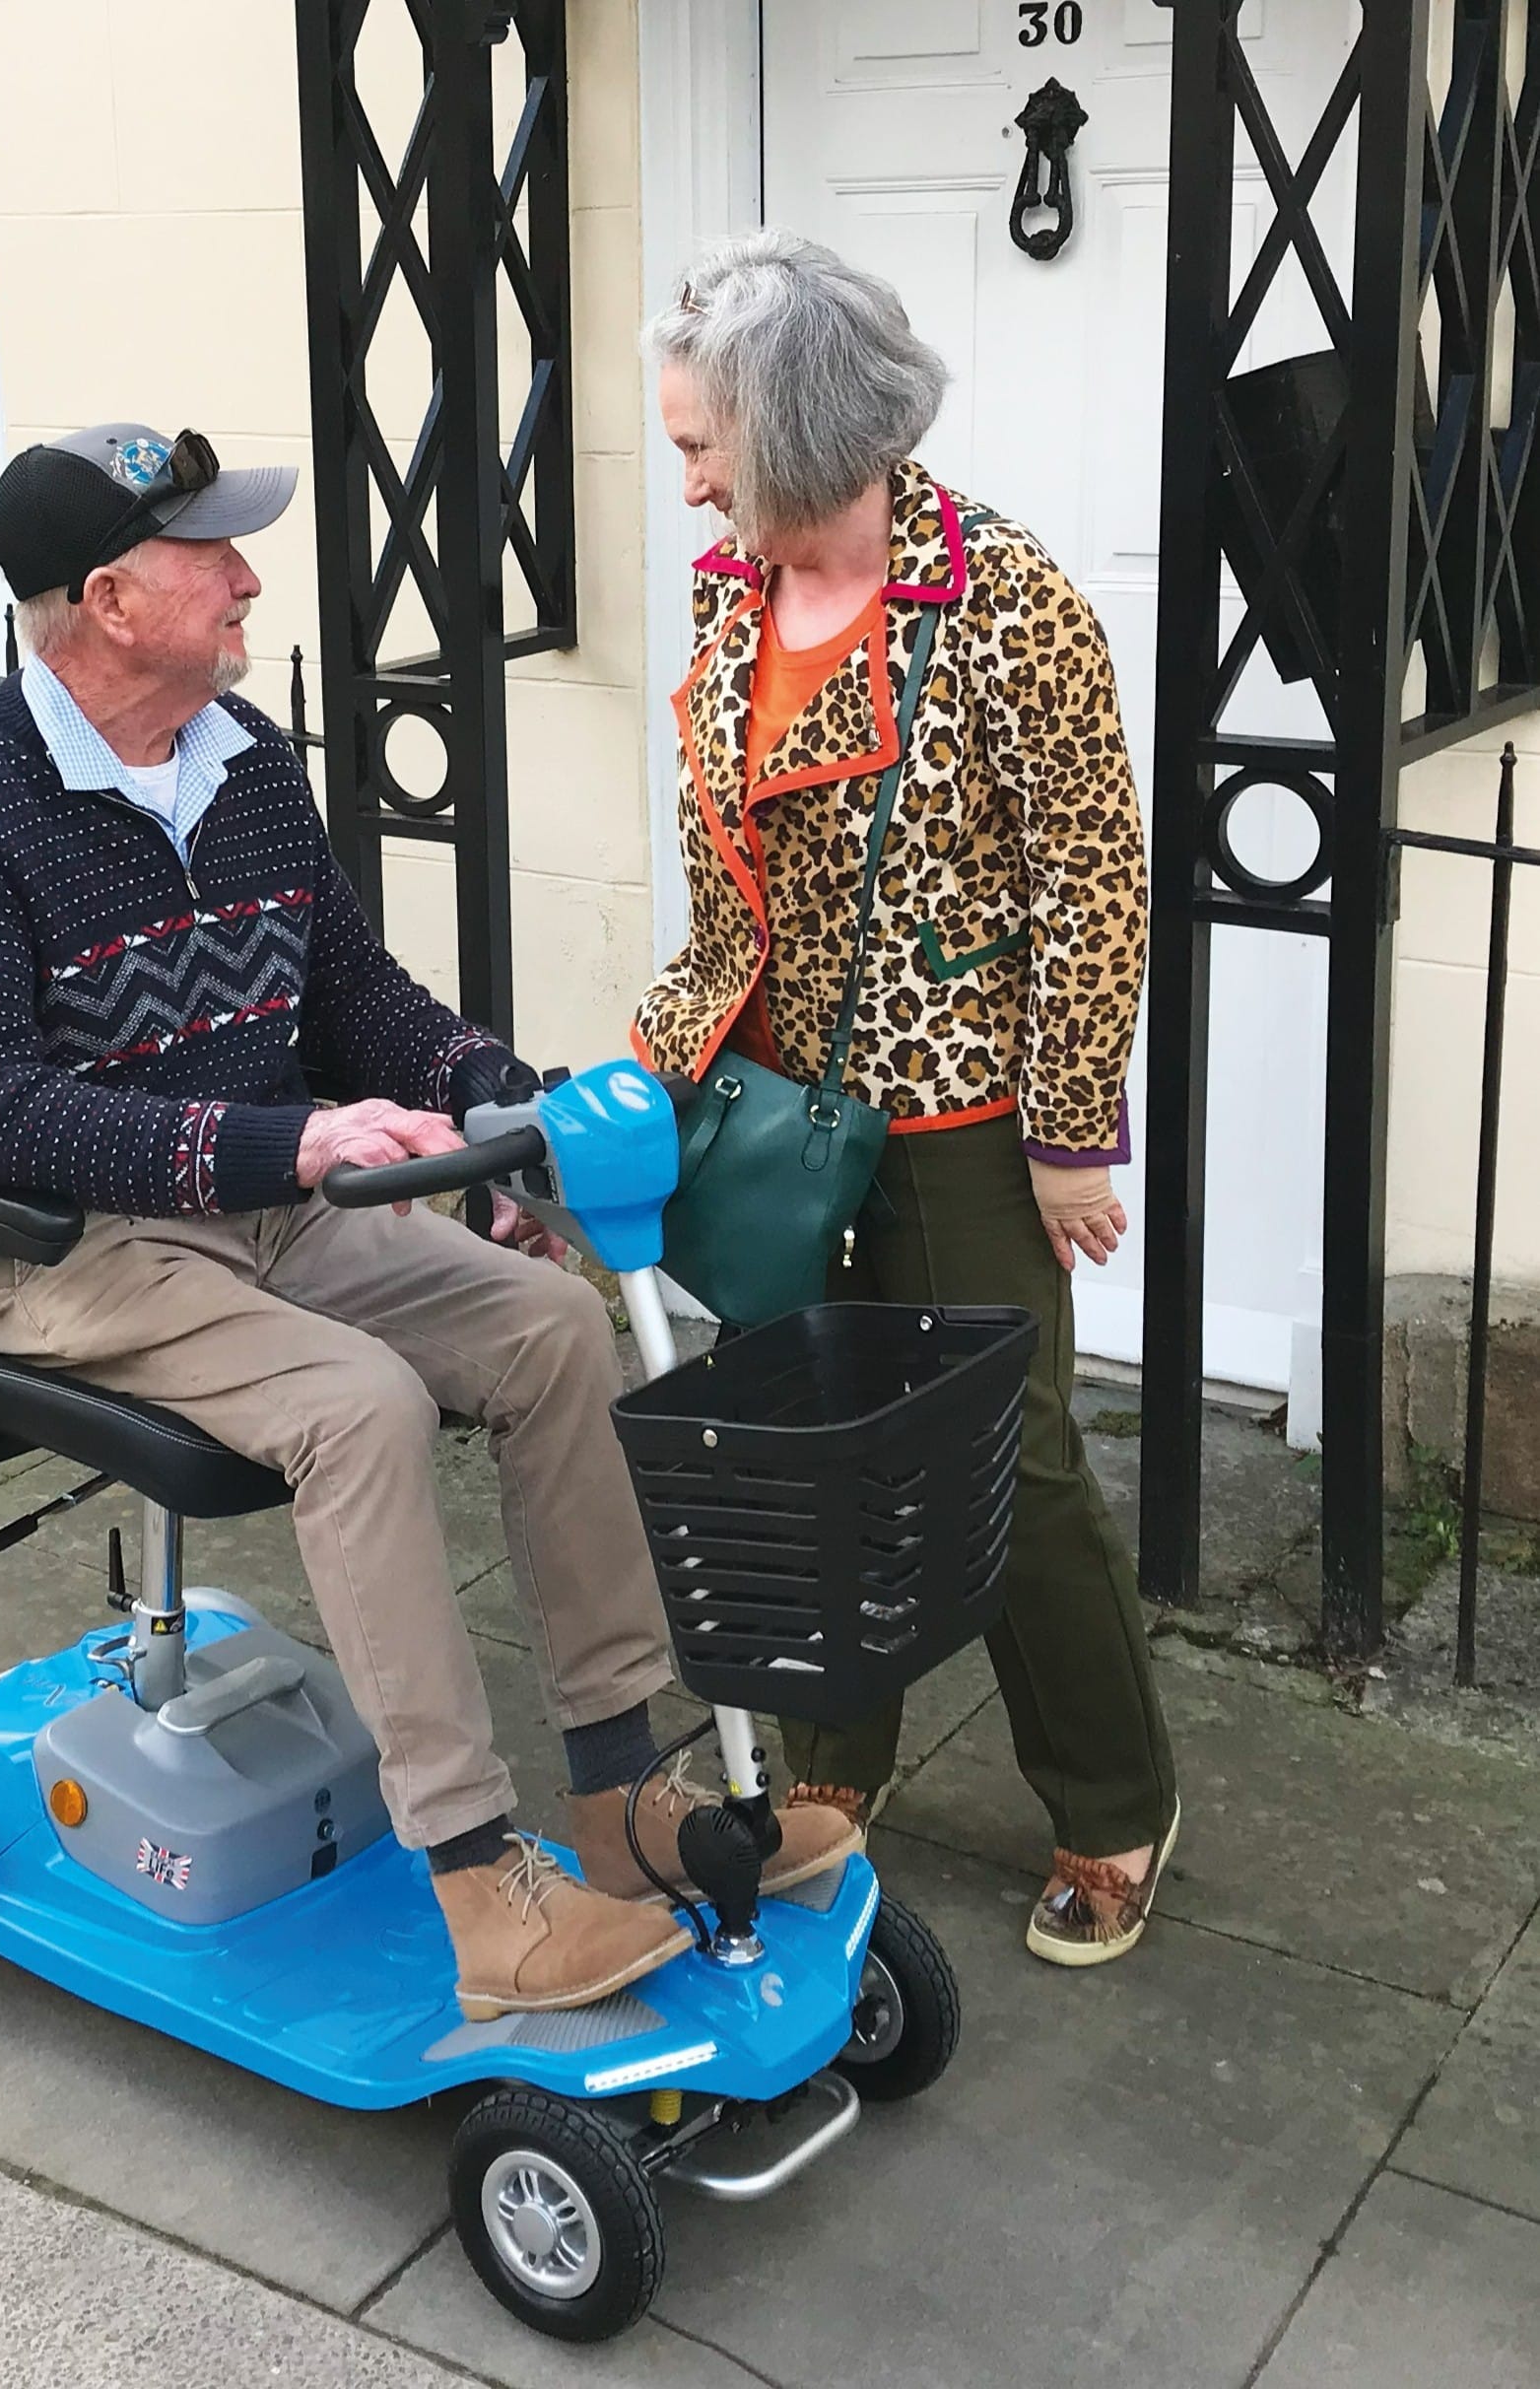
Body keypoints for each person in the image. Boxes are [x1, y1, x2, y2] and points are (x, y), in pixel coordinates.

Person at [0, 422, 853, 2019]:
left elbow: (347, 993)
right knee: (363, 1408)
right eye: (214, 561)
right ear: (114, 601)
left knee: (551, 1325)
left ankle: (616, 1794)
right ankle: (479, 1880)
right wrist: (291, 1139)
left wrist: (491, 1100)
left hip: (266, 1203)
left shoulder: (243, 756)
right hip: (71, 1247)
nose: (249, 578)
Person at [636, 236, 1180, 1966]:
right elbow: (730, 892)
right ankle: (831, 1764)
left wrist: (1074, 1128)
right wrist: (657, 1061)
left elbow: (1094, 877)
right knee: (808, 1451)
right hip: (787, 1107)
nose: (692, 478)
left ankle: (1112, 1803)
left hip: (957, 1121)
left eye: (705, 444)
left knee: (1008, 1465)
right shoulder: (737, 595)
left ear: (794, 426)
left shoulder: (1004, 600)